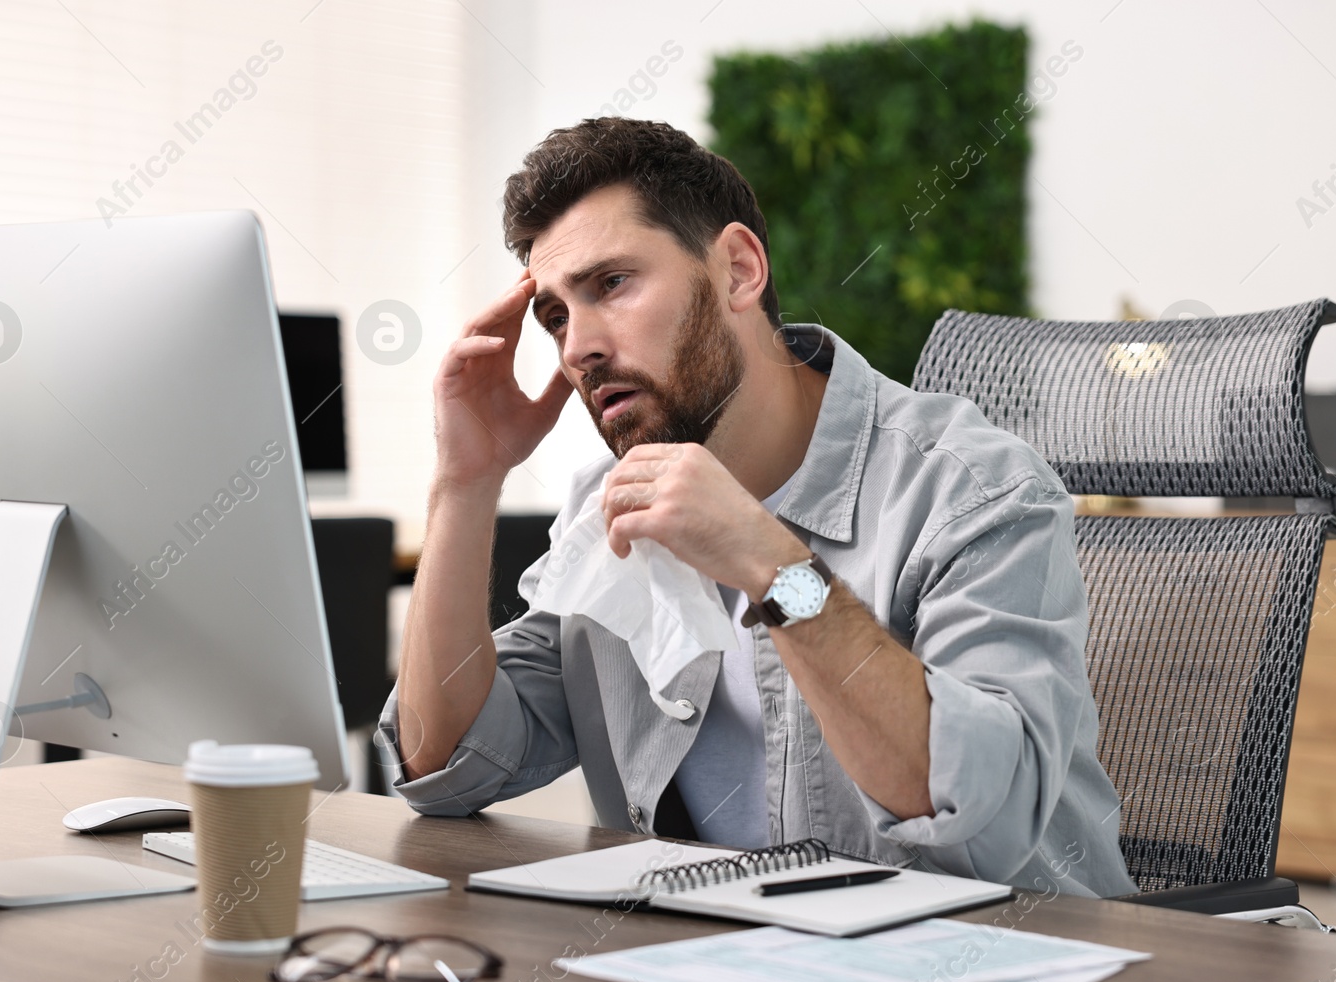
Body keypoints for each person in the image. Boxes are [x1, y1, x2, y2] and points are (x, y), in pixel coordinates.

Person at [377, 117, 1135, 896]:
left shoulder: (971, 488)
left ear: (739, 269)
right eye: (557, 316)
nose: (578, 349)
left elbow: (980, 817)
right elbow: (445, 763)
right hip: (731, 981)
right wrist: (465, 482)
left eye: (611, 284)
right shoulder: (605, 511)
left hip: (1017, 979)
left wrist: (775, 570)